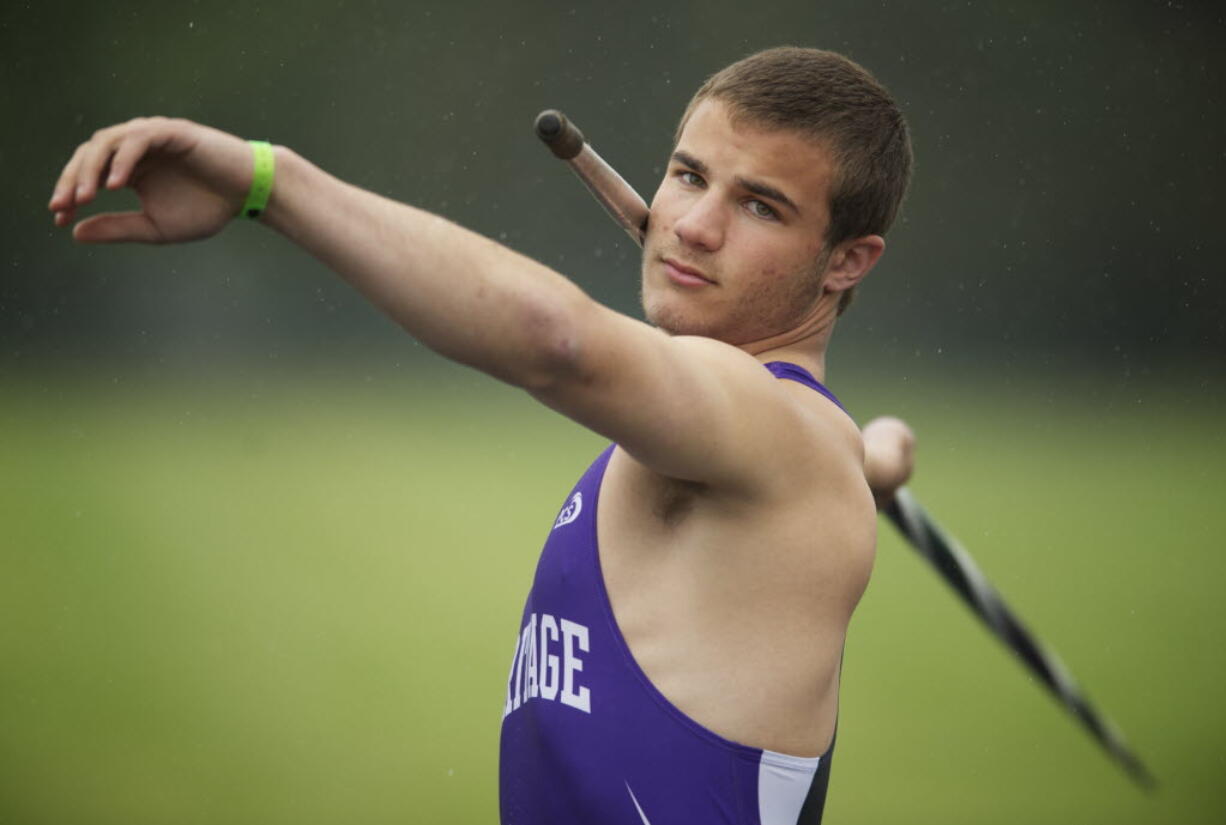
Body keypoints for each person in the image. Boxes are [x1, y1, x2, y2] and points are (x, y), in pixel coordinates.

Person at [49, 46, 916, 825]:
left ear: (847, 260)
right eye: (688, 176)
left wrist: (266, 185)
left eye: (760, 206)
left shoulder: (775, 433)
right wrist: (868, 456)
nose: (693, 224)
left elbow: (559, 344)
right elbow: (803, 454)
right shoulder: (794, 447)